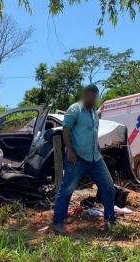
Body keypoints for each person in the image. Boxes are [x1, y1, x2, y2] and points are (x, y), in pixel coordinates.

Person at [53, 84, 116, 235]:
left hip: (95, 157)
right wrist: (71, 151)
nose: (93, 99)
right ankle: (57, 222)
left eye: (95, 97)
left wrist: (99, 153)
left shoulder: (94, 111)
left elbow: (94, 135)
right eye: (90, 96)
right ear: (85, 95)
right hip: (78, 157)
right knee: (67, 189)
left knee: (108, 187)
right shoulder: (75, 109)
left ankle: (110, 221)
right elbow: (66, 130)